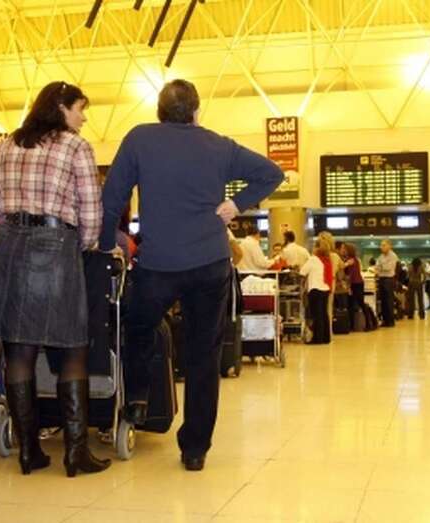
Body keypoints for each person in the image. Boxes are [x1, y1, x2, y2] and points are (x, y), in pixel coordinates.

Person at [98, 79, 282, 472]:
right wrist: (237, 203)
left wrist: (103, 243)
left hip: (157, 265)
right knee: (203, 355)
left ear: (160, 113)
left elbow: (112, 197)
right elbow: (272, 173)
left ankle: (138, 398)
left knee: (139, 328)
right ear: (197, 113)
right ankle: (195, 448)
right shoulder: (218, 145)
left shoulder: (139, 139)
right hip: (209, 264)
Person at [0, 82, 110, 478]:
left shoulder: (8, 145)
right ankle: (75, 454)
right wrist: (82, 242)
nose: (84, 117)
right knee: (72, 347)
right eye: (80, 109)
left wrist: (15, 231)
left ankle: (29, 451)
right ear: (60, 107)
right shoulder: (76, 146)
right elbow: (91, 209)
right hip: (57, 245)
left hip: (11, 247)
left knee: (19, 350)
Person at [301, 238, 333, 344]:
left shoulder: (314, 259)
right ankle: (326, 338)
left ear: (317, 248)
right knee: (324, 314)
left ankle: (317, 339)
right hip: (325, 289)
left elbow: (303, 271)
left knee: (316, 315)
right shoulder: (327, 260)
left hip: (315, 289)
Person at [375, 240, 399, 327]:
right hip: (381, 279)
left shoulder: (393, 256)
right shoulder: (380, 256)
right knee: (383, 301)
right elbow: (377, 267)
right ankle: (385, 320)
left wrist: (380, 266)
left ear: (389, 246)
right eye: (381, 245)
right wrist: (380, 267)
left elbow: (388, 268)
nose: (381, 247)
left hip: (389, 279)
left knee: (389, 301)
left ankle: (390, 321)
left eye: (384, 245)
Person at [343, 243, 364, 314]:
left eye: (345, 249)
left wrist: (348, 286)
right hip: (358, 283)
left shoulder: (350, 261)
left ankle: (353, 324)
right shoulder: (355, 259)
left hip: (355, 284)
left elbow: (351, 274)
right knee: (359, 303)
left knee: (354, 303)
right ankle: (368, 322)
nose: (343, 250)